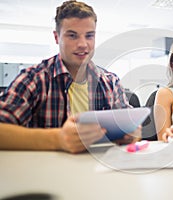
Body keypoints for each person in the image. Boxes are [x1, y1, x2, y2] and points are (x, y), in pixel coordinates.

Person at [0, 0, 141, 153]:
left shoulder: (111, 82)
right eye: (72, 36)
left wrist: (132, 134)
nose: (83, 44)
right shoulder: (34, 79)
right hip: (47, 173)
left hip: (100, 170)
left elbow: (131, 129)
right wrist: (58, 139)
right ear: (56, 37)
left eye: (89, 36)